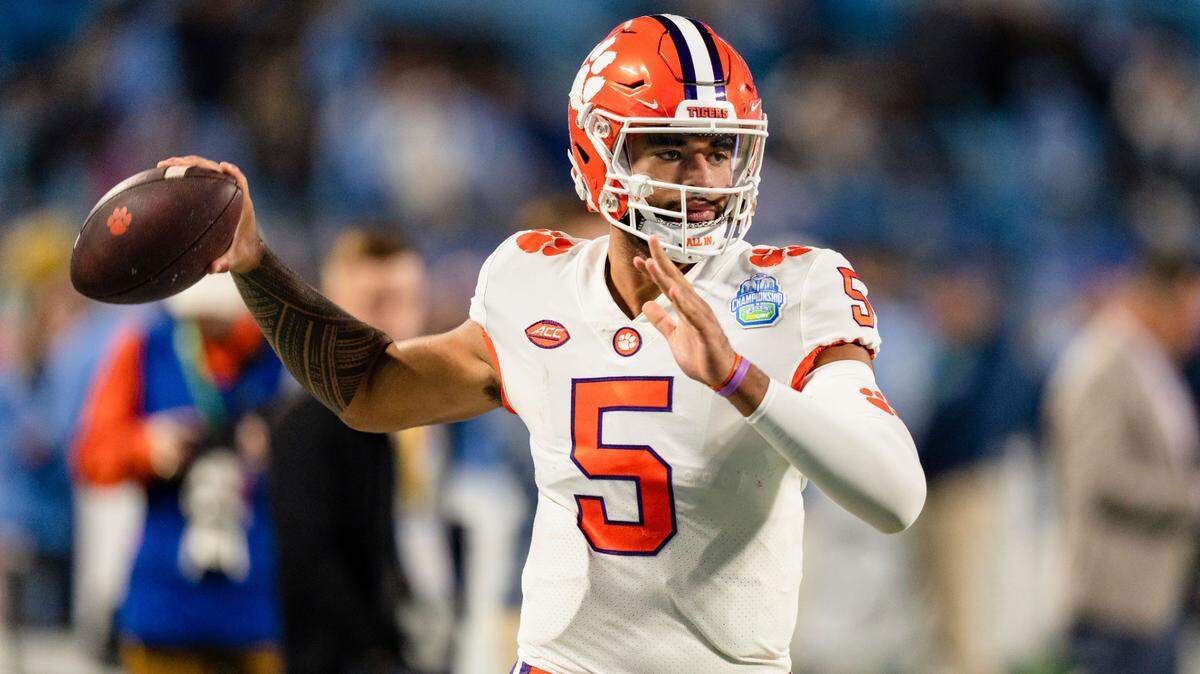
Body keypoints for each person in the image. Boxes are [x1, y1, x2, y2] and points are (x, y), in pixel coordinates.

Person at [158, 13, 927, 673]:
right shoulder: (533, 281)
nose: (706, 177)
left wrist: (740, 381)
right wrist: (258, 270)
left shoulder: (792, 290)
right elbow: (368, 392)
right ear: (603, 156)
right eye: (671, 148)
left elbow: (895, 496)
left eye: (720, 149)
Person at [72, 273, 285, 674]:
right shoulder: (145, 347)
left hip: (257, 603)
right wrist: (147, 447)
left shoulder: (279, 350)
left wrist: (278, 448)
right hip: (165, 603)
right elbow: (90, 456)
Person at [267, 228, 420, 674]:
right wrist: (373, 644)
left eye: (409, 300)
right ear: (331, 304)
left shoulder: (431, 414)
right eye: (377, 302)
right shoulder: (311, 416)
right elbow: (310, 556)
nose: (399, 320)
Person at [1045, 250, 1200, 674]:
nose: (1193, 328)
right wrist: (1190, 495)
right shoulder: (1103, 363)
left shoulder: (1150, 361)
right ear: (1155, 299)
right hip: (1116, 596)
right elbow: (1102, 476)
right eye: (1189, 312)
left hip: (1154, 592)